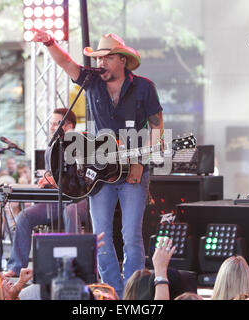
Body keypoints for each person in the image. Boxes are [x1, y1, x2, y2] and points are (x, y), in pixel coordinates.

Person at [33, 30, 165, 297]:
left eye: (107, 58)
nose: (100, 63)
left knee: (131, 237)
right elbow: (65, 63)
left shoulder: (144, 87)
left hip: (132, 172)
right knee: (101, 238)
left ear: (122, 61)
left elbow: (156, 126)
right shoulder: (91, 82)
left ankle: (134, 293)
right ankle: (112, 292)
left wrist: (140, 161)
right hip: (99, 174)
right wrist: (49, 41)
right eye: (98, 58)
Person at [4, 108, 88, 278]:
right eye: (50, 124)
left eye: (56, 123)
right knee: (24, 217)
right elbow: (52, 179)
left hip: (81, 199)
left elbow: (82, 178)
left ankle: (72, 268)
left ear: (69, 126)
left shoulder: (81, 144)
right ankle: (16, 266)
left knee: (70, 212)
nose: (51, 127)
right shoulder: (50, 149)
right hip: (58, 199)